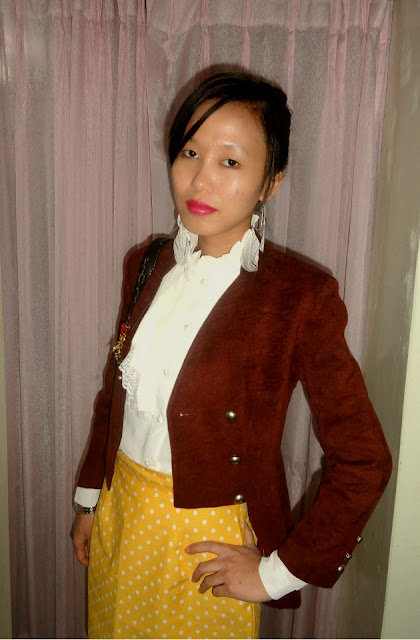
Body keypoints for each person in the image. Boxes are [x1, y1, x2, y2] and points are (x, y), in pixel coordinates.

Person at [71, 71, 392, 639]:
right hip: (120, 518)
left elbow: (365, 460)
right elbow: (114, 392)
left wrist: (277, 574)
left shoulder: (299, 296)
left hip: (208, 549)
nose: (200, 179)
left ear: (271, 182)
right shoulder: (146, 264)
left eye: (230, 162)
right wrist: (91, 501)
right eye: (190, 152)